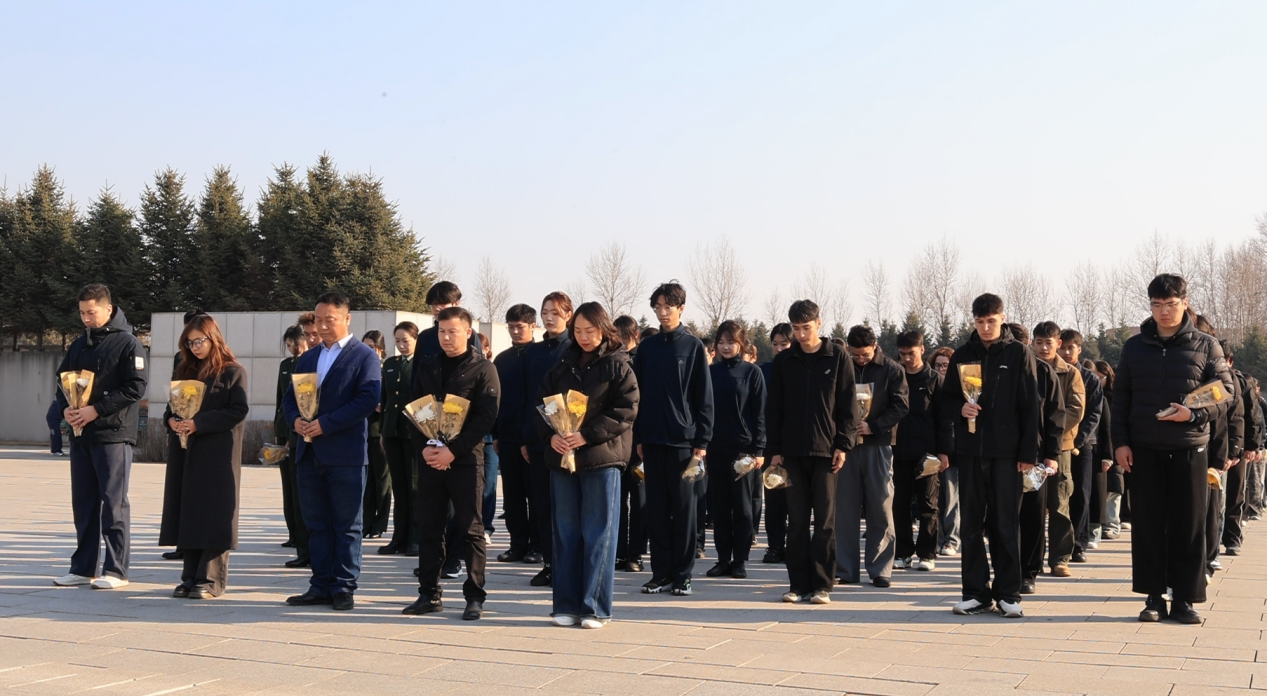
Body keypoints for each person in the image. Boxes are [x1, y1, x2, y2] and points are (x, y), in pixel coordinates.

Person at [1113, 274, 1234, 624]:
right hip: (1144, 448)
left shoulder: (1206, 345)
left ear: (1185, 303)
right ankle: (1153, 598)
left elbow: (1226, 392)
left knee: (1189, 525)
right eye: (1157, 305)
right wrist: (1120, 442)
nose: (1164, 311)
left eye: (1171, 304)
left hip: (1189, 447)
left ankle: (1185, 599)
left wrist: (1193, 414)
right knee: (1148, 525)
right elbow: (1121, 399)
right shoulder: (1134, 347)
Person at [938, 293, 1040, 619]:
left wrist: (1028, 452)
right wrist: (960, 408)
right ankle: (975, 593)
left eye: (991, 321)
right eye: (980, 322)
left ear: (1002, 318)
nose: (985, 327)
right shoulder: (962, 355)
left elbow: (1030, 405)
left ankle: (1008, 593)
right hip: (969, 452)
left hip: (1007, 454)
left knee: (1005, 524)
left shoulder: (1019, 353)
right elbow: (945, 401)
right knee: (970, 525)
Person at [538, 302, 639, 629]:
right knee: (565, 533)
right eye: (578, 331)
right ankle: (565, 605)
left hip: (601, 458)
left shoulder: (619, 365)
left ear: (604, 330)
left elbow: (626, 410)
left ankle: (594, 607)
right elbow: (541, 404)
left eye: (590, 331)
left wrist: (586, 435)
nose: (583, 337)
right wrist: (551, 437)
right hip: (563, 459)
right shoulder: (562, 364)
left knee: (598, 534)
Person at [282, 292, 382, 612]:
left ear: (347, 319)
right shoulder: (308, 357)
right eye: (318, 320)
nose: (323, 326)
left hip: (345, 455)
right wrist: (295, 421)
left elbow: (367, 400)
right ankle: (320, 584)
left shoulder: (364, 356)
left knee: (347, 524)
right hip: (309, 455)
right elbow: (290, 398)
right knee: (316, 523)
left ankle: (343, 586)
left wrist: (326, 424)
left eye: (330, 320)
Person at [403, 307, 501, 621]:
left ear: (468, 333)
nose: (446, 337)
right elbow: (414, 410)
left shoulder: (482, 368)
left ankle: (474, 597)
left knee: (471, 529)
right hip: (431, 459)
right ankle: (428, 593)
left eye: (453, 332)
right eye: (442, 331)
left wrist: (453, 451)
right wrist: (425, 449)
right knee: (430, 528)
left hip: (466, 461)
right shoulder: (428, 365)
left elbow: (485, 418)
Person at [53, 284, 149, 589]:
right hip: (81, 434)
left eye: (91, 312)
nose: (86, 318)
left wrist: (96, 410)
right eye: (82, 313)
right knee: (83, 503)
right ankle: (83, 569)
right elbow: (62, 382)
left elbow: (135, 387)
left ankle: (116, 570)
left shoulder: (129, 343)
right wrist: (66, 409)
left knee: (113, 502)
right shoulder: (79, 344)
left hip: (113, 434)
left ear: (108, 309)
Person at [767, 300, 859, 604]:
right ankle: (798, 584)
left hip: (826, 452)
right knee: (796, 522)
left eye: (806, 327)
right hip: (791, 453)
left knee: (824, 522)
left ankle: (822, 585)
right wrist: (774, 451)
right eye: (796, 329)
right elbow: (774, 408)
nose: (801, 334)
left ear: (819, 323)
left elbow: (848, 405)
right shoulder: (784, 361)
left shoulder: (838, 356)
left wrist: (843, 444)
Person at [634, 282, 714, 597]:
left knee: (684, 511)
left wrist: (702, 441)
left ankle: (683, 574)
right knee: (656, 509)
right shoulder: (647, 348)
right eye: (658, 307)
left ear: (681, 308)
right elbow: (638, 395)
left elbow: (703, 397)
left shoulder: (692, 347)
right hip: (653, 440)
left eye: (668, 307)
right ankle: (661, 573)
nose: (662, 313)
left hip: (684, 443)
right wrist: (640, 436)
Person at [160, 314, 248, 598]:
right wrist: (171, 421)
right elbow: (171, 408)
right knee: (189, 512)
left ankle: (211, 580)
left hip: (217, 454)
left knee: (214, 514)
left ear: (214, 339)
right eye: (190, 342)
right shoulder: (184, 370)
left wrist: (199, 423)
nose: (195, 347)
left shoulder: (232, 371)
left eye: (200, 341)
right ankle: (190, 577)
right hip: (186, 451)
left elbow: (238, 410)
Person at [837, 324, 907, 587]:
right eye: (854, 354)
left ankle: (880, 569)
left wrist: (874, 426)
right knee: (845, 509)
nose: (860, 359)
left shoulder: (892, 370)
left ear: (875, 346)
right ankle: (845, 569)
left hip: (878, 445)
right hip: (846, 447)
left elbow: (901, 406)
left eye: (865, 354)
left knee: (881, 505)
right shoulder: (842, 367)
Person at [521, 292, 576, 587]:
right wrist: (525, 437)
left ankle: (569, 564)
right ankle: (549, 564)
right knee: (542, 503)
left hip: (570, 438)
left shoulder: (575, 348)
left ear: (568, 314)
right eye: (545, 312)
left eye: (555, 312)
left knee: (567, 506)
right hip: (540, 438)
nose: (549, 317)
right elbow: (527, 397)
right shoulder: (533, 352)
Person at [704, 320, 766, 580]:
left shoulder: (752, 373)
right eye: (721, 342)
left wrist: (759, 449)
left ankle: (740, 560)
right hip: (715, 448)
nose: (726, 347)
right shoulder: (710, 373)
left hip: (743, 451)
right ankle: (722, 559)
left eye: (731, 342)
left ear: (741, 343)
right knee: (719, 508)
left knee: (742, 508)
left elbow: (760, 413)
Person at [1031, 322, 1085, 578]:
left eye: (1048, 343)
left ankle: (1060, 558)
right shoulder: (1025, 369)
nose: (1043, 348)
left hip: (1060, 446)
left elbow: (1076, 409)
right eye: (1039, 342)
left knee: (1060, 502)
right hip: (1029, 446)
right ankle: (1031, 559)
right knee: (1031, 505)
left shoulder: (1070, 373)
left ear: (1058, 344)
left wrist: (1051, 431)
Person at [892, 330, 943, 572]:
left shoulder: (935, 380)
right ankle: (903, 553)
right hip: (899, 452)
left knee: (928, 505)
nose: (907, 359)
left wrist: (944, 452)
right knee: (899, 505)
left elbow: (944, 419)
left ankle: (927, 553)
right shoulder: (895, 377)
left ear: (922, 350)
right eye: (902, 354)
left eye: (911, 353)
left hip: (928, 454)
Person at [493, 304, 539, 563]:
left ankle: (537, 545)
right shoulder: (502, 360)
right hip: (508, 433)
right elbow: (496, 400)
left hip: (534, 435)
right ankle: (517, 544)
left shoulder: (540, 355)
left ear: (532, 326)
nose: (515, 331)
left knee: (535, 492)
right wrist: (496, 433)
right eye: (511, 327)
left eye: (520, 327)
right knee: (512, 494)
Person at [1057, 329, 1105, 560]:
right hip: (1056, 444)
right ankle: (1059, 543)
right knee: (1058, 495)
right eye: (1063, 348)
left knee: (1081, 494)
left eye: (1071, 348)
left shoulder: (1090, 379)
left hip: (1082, 445)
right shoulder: (1051, 373)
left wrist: (1076, 439)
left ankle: (1078, 544)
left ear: (1079, 349)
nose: (1067, 352)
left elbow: (1094, 414)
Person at [379, 321, 420, 556]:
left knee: (414, 486)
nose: (402, 345)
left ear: (415, 340)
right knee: (399, 487)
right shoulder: (390, 364)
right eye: (397, 341)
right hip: (392, 431)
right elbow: (385, 399)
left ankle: (415, 538)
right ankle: (399, 538)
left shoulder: (421, 364)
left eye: (406, 340)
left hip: (412, 433)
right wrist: (383, 431)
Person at [1219, 344, 1263, 557]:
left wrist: (1252, 446)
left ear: (1230, 361)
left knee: (1235, 493)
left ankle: (1232, 538)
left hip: (1238, 446)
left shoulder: (1242, 382)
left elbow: (1253, 416)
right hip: (1213, 445)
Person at [613, 314, 648, 572]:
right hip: (615, 440)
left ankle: (635, 553)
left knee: (639, 499)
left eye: (624, 337)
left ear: (635, 336)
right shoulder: (610, 361)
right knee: (616, 499)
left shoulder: (643, 361)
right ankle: (618, 551)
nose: (620, 341)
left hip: (638, 441)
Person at [276, 325, 310, 567]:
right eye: (288, 345)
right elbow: (282, 399)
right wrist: (279, 429)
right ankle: (292, 533)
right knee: (287, 486)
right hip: (285, 426)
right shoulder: (285, 365)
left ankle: (303, 537)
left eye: (295, 343)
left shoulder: (308, 362)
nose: (292, 349)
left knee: (300, 489)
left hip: (300, 431)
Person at [761, 323, 794, 564]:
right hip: (771, 443)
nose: (779, 348)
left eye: (784, 344)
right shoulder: (764, 371)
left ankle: (795, 544)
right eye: (775, 344)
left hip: (797, 443)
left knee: (796, 500)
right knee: (774, 498)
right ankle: (775, 546)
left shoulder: (802, 369)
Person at [361, 330, 391, 540]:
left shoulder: (386, 370)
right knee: (367, 481)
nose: (368, 351)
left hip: (380, 429)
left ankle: (380, 524)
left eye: (371, 347)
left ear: (380, 349)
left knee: (382, 480)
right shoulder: (361, 369)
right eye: (365, 347)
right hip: (362, 431)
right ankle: (366, 522)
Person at [930, 346, 959, 556]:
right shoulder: (932, 385)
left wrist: (947, 451)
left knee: (951, 498)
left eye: (945, 365)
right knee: (934, 498)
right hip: (931, 448)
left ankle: (952, 539)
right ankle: (938, 538)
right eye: (937, 365)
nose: (941, 369)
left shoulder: (959, 388)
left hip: (953, 450)